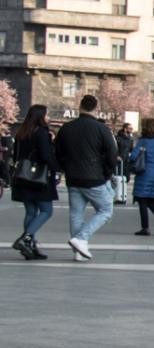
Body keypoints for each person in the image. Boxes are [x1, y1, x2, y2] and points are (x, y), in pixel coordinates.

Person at [54, 94, 119, 261]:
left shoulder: (66, 128)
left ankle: (78, 251)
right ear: (96, 109)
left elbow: (58, 152)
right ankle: (81, 239)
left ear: (79, 107)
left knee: (76, 214)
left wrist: (64, 167)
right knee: (106, 210)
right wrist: (107, 172)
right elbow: (112, 153)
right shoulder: (101, 129)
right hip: (94, 177)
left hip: (72, 177)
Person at [10, 105, 60, 260]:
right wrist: (56, 169)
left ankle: (29, 247)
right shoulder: (42, 133)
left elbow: (16, 155)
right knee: (46, 210)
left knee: (31, 211)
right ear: (40, 116)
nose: (48, 117)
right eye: (47, 114)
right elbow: (45, 155)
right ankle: (26, 239)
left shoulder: (21, 133)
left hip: (22, 177)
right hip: (39, 178)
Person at [130, 118, 154, 236]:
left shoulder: (143, 142)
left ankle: (145, 228)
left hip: (144, 174)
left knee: (142, 201)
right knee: (152, 201)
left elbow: (133, 157)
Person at [114, 122, 134, 204]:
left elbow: (131, 150)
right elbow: (114, 148)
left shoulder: (130, 139)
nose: (131, 130)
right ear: (125, 129)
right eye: (130, 128)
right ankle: (118, 196)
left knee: (126, 178)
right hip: (119, 161)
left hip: (127, 161)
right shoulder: (118, 138)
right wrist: (117, 156)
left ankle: (123, 195)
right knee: (118, 178)